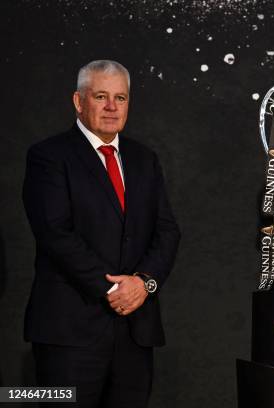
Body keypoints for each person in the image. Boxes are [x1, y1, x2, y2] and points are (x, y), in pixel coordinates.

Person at [22, 60, 181, 407]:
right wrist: (114, 289)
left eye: (120, 98)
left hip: (135, 332)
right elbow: (55, 233)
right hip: (68, 332)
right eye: (101, 96)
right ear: (79, 102)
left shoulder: (145, 159)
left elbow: (167, 231)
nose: (111, 107)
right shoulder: (49, 157)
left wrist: (143, 283)